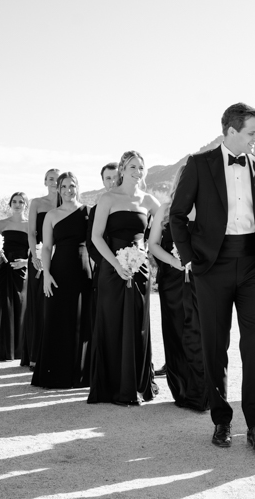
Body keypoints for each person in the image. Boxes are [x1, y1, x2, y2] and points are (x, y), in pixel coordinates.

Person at [170, 103, 255, 451]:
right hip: (210, 267)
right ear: (230, 131)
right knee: (215, 347)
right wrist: (190, 259)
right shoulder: (199, 164)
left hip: (252, 265)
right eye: (251, 133)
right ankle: (221, 421)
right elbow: (177, 215)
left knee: (254, 346)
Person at [88, 151, 161, 405]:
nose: (137, 171)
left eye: (141, 167)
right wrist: (117, 264)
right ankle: (112, 388)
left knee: (138, 325)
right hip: (112, 269)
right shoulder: (108, 198)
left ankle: (138, 385)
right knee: (112, 323)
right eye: (132, 166)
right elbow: (97, 237)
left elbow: (155, 239)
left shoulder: (151, 201)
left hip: (140, 270)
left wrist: (145, 256)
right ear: (122, 169)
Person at [148, 164, 208, 411]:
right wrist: (174, 261)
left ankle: (202, 393)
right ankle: (181, 391)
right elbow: (152, 245)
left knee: (199, 333)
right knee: (175, 332)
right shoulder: (165, 209)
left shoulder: (208, 208)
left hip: (201, 280)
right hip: (172, 280)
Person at [32, 173, 92, 388]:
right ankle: (54, 374)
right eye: (64, 186)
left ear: (78, 187)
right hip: (58, 272)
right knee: (57, 320)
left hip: (84, 272)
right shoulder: (51, 215)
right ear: (58, 189)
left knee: (81, 321)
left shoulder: (88, 212)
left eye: (72, 185)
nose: (68, 190)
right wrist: (46, 274)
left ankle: (81, 375)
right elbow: (46, 248)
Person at [21, 168, 60, 369]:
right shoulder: (37, 203)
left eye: (57, 179)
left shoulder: (67, 203)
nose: (54, 182)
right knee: (38, 306)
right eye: (50, 179)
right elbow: (31, 232)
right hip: (38, 256)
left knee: (55, 304)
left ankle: (55, 353)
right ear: (45, 181)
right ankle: (35, 355)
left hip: (61, 258)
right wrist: (35, 256)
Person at [0, 192, 29, 361]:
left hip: (22, 271)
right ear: (10, 204)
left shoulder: (30, 225)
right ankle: (5, 351)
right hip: (5, 268)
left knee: (22, 307)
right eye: (14, 201)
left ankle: (20, 351)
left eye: (21, 202)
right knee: (4, 306)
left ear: (26, 205)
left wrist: (26, 262)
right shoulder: (2, 224)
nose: (17, 204)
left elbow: (37, 250)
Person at [87, 162, 118, 328]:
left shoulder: (135, 207)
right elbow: (91, 244)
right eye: (108, 178)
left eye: (115, 177)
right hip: (105, 271)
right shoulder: (96, 210)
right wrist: (110, 264)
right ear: (103, 182)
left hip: (132, 269)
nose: (112, 181)